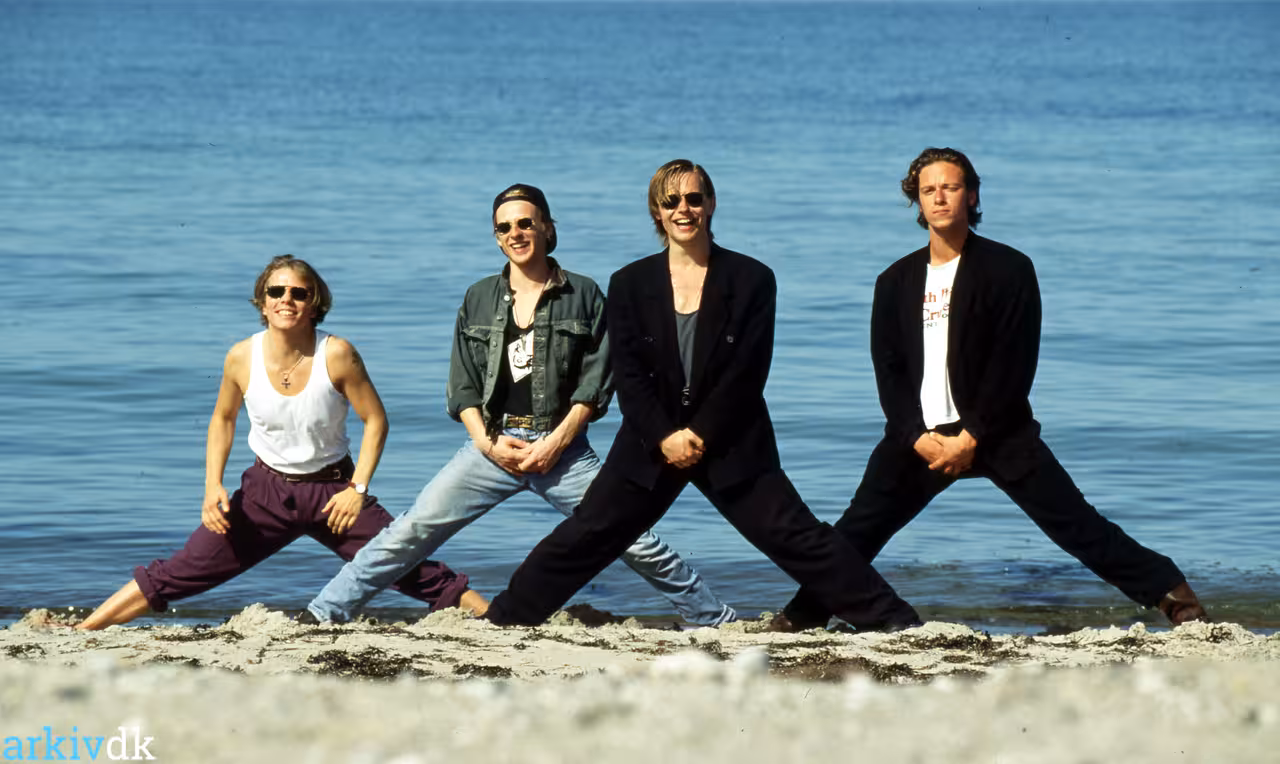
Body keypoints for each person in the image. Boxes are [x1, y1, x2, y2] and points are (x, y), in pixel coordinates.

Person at [772, 147, 1208, 632]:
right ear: (918, 202)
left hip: (998, 432)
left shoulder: (1009, 268)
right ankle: (802, 616)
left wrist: (973, 435)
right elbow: (888, 370)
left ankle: (1175, 597)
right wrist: (913, 434)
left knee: (1075, 524)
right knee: (859, 528)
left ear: (972, 195)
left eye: (951, 187)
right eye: (928, 190)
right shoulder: (894, 281)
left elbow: (1014, 363)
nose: (940, 198)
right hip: (921, 437)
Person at [482, 160, 922, 630]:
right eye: (671, 201)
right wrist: (665, 436)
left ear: (710, 204)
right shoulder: (629, 282)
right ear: (656, 211)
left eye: (693, 199)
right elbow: (629, 376)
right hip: (652, 442)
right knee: (589, 533)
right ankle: (505, 619)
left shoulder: (752, 278)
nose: (683, 209)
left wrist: (700, 433)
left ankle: (894, 621)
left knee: (794, 535)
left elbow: (747, 373)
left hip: (732, 439)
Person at [301, 184, 735, 626]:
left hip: (562, 450)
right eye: (504, 228)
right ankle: (325, 612)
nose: (516, 234)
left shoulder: (583, 294)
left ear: (546, 227)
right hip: (492, 446)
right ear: (496, 237)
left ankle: (712, 616)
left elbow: (598, 382)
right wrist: (487, 444)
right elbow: (462, 386)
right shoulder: (479, 297)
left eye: (526, 223)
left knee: (632, 536)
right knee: (412, 530)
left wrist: (555, 443)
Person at [77, 255, 482, 630]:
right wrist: (212, 485)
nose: (286, 299)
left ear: (314, 303)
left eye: (298, 293)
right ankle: (84, 630)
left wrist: (358, 489)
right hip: (264, 495)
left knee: (407, 564)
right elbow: (222, 418)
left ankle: (497, 622)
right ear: (263, 300)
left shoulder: (337, 354)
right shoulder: (241, 356)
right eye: (276, 291)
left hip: (334, 494)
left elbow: (375, 420)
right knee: (182, 571)